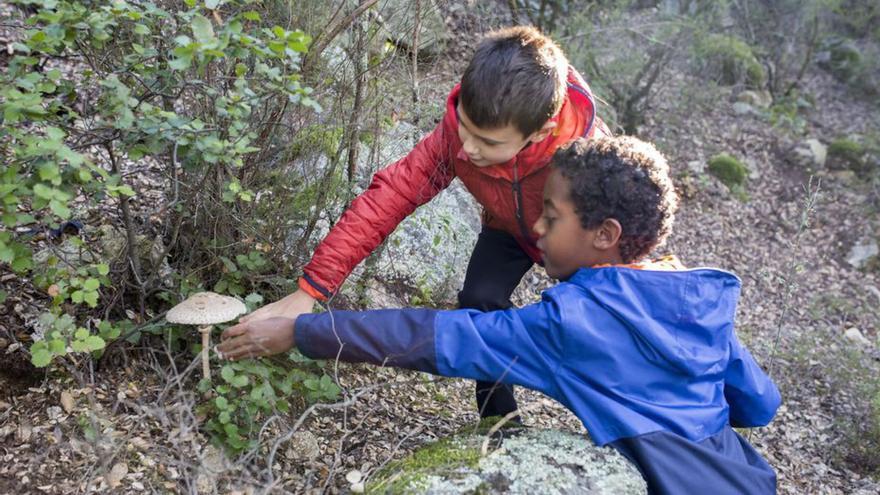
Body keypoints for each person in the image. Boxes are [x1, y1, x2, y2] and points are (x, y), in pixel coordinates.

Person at [218, 136, 781, 494]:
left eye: (551, 217)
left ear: (605, 236)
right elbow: (759, 403)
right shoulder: (692, 295)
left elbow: (439, 337)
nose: (534, 229)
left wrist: (301, 329)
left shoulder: (574, 325)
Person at [223, 26, 610, 420]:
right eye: (465, 128)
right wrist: (309, 291)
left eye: (488, 143)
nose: (468, 148)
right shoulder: (456, 136)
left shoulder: (587, 158)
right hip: (507, 226)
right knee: (479, 300)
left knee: (584, 329)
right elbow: (389, 198)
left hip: (573, 237)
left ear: (540, 133)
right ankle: (499, 422)